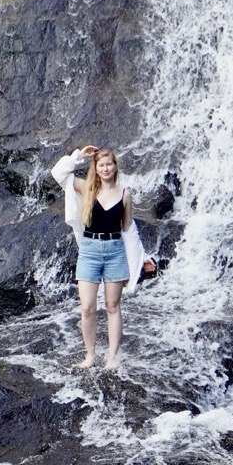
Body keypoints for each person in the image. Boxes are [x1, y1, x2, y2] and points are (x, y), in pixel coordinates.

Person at [51, 145, 156, 370]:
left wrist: (142, 257)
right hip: (89, 251)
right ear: (96, 168)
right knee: (88, 307)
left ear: (115, 166)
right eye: (101, 165)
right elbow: (58, 173)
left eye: (109, 164)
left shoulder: (125, 193)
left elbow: (129, 230)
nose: (106, 168)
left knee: (112, 305)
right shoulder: (85, 188)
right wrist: (79, 155)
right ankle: (90, 355)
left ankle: (112, 356)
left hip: (115, 251)